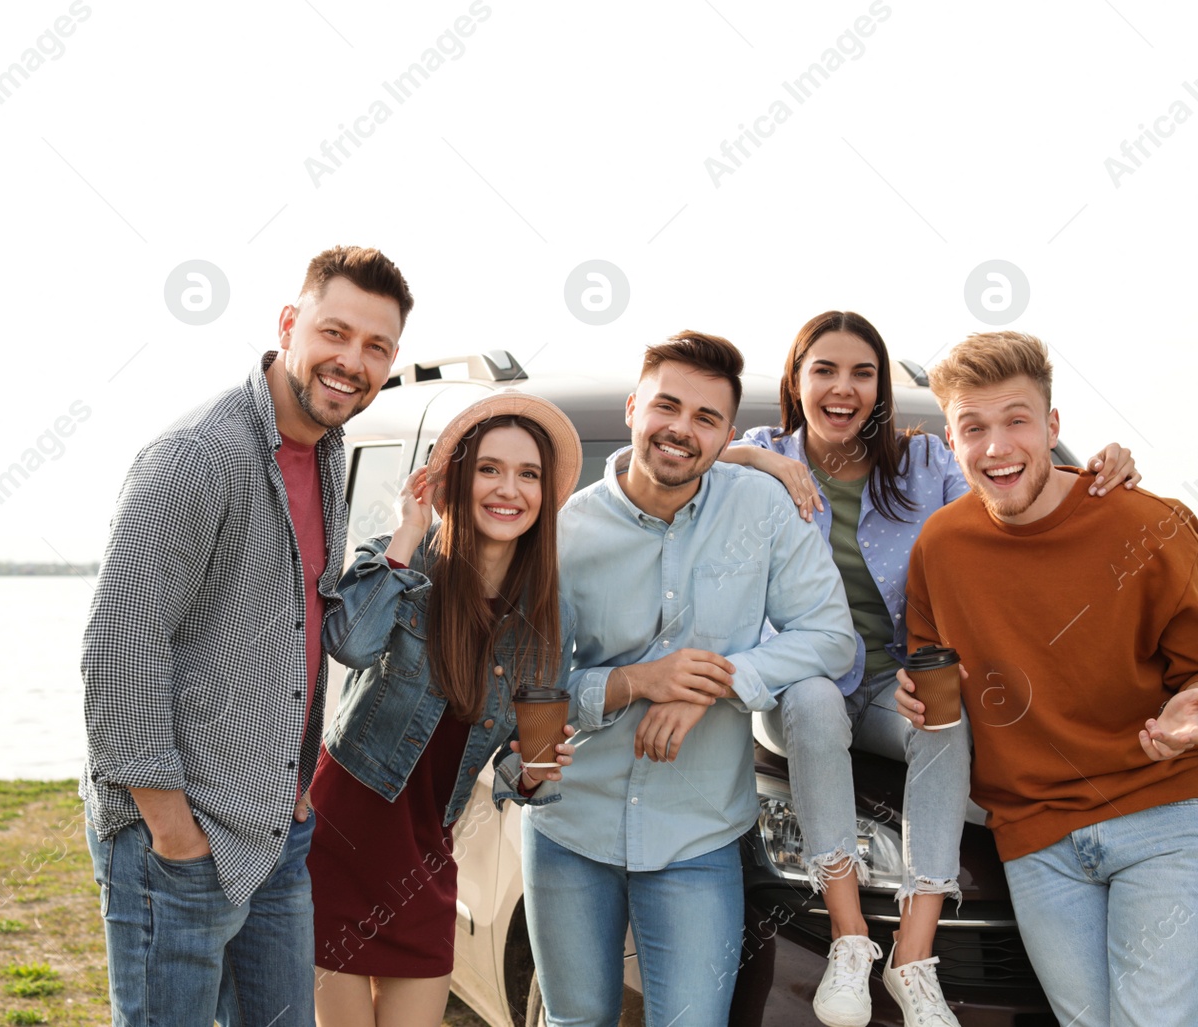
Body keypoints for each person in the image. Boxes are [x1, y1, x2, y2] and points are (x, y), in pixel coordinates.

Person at [719, 311, 1139, 1027]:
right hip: (799, 678)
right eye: (824, 370)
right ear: (797, 380)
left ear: (880, 387)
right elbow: (664, 463)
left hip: (891, 678)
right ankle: (851, 936)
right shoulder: (758, 453)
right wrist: (767, 460)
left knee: (944, 712)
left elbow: (1008, 488)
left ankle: (913, 954)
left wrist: (1100, 472)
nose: (842, 388)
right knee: (817, 699)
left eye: (862, 372)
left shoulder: (922, 463)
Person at [78, 245, 412, 1027]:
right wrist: (170, 827)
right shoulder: (199, 456)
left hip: (275, 828)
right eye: (336, 332)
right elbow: (119, 645)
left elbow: (306, 631)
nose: (352, 361)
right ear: (290, 325)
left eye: (377, 347)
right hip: (178, 840)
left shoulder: (325, 453)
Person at [521, 332, 857, 1027]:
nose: (682, 428)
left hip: (697, 833)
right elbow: (536, 692)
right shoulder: (564, 532)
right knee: (574, 1021)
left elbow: (831, 635)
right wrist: (640, 680)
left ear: (727, 434)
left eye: (706, 418)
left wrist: (715, 682)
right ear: (634, 408)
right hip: (571, 826)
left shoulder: (761, 510)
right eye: (667, 406)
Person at [894, 330, 1198, 1027]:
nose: (997, 447)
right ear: (951, 439)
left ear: (1053, 425)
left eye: (1016, 420)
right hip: (1036, 841)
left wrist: (1190, 713)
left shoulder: (1150, 525)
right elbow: (935, 682)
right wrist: (912, 695)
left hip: (1163, 812)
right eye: (974, 427)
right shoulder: (939, 549)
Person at [307, 392, 581, 1027]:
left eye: (527, 473)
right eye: (488, 468)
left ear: (543, 495)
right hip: (340, 844)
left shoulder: (547, 617)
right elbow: (350, 642)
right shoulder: (402, 565)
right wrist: (408, 526)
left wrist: (536, 773)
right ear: (456, 478)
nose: (507, 488)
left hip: (425, 859)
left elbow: (519, 769)